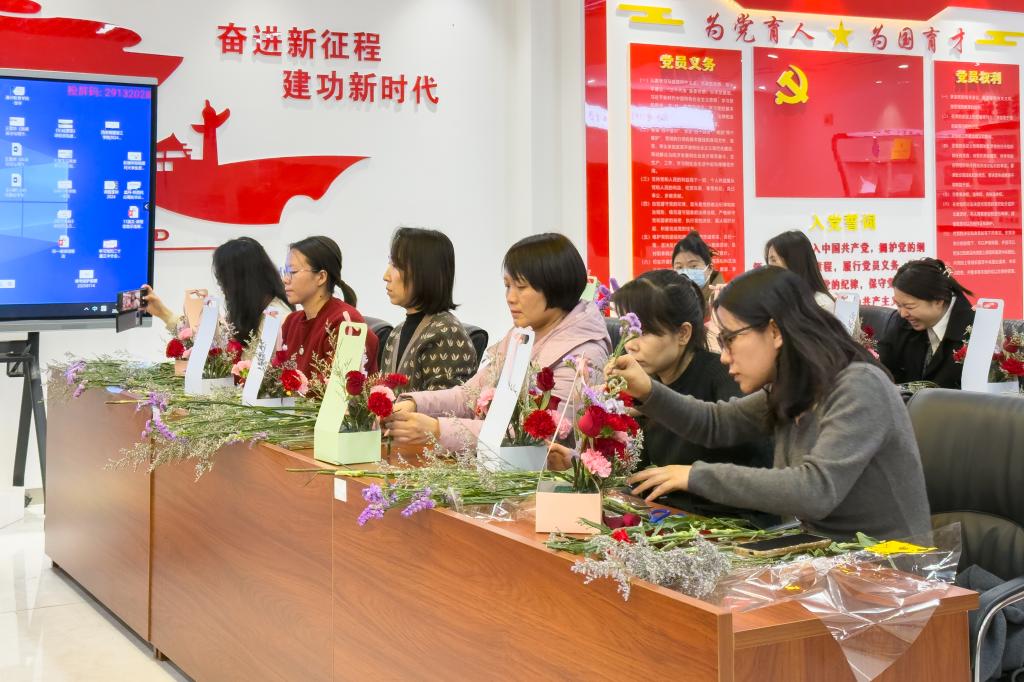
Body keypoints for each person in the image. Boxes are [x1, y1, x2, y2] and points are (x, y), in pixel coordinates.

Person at [611, 266, 931, 541]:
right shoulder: (792, 387)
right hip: (824, 555)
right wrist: (648, 391)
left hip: (891, 568)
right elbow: (715, 424)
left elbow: (815, 490)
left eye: (730, 339)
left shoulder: (859, 385)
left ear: (775, 331)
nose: (724, 356)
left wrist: (696, 476)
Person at [385, 233, 611, 451]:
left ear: (556, 285)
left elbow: (532, 438)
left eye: (521, 287)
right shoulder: (522, 334)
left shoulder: (583, 356)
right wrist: (414, 403)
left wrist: (437, 429)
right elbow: (468, 396)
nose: (510, 298)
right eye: (507, 286)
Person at [611, 270, 775, 524]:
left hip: (732, 521)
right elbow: (640, 471)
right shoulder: (650, 385)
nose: (631, 344)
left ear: (683, 334)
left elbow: (754, 462)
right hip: (673, 516)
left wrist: (692, 476)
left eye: (644, 332)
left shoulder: (728, 378)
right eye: (627, 331)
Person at [142, 237, 293, 346]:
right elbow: (207, 339)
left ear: (242, 281)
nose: (221, 287)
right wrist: (162, 312)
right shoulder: (249, 312)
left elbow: (219, 348)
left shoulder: (276, 318)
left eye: (224, 280)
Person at [381, 227, 478, 391]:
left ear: (424, 272)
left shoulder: (447, 334)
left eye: (396, 265)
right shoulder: (395, 333)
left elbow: (444, 404)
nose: (386, 276)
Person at [280, 235, 379, 378]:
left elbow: (338, 385)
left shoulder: (346, 321)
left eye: (293, 272)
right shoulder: (291, 322)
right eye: (285, 272)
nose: (285, 279)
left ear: (321, 277)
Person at [879, 258, 975, 389]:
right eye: (898, 305)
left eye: (909, 306)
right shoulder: (902, 323)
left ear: (938, 301)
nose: (903, 314)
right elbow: (884, 367)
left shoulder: (973, 331)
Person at [765, 230, 835, 313]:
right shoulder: (773, 301)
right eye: (769, 261)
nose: (768, 267)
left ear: (794, 262)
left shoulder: (821, 304)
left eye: (773, 260)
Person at [671, 231, 725, 311]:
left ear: (710, 268)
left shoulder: (725, 301)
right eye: (679, 267)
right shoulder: (669, 300)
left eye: (693, 266)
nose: (685, 273)